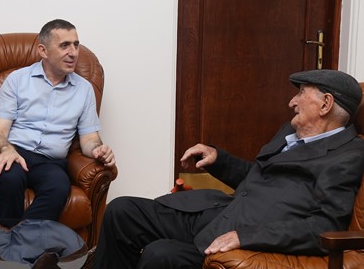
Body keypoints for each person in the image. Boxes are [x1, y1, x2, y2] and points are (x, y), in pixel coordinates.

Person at [94, 69, 364, 269]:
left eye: (301, 94)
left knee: (159, 255)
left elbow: (323, 226)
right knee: (121, 212)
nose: (292, 102)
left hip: (246, 236)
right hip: (218, 212)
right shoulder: (290, 130)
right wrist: (219, 160)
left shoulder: (347, 156)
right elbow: (260, 178)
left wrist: (245, 236)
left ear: (326, 104)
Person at [0, 19, 115, 228]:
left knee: (59, 186)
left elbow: (89, 139)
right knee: (11, 176)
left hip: (49, 163)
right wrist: (7, 150)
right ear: (43, 50)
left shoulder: (84, 90)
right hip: (12, 152)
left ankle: (19, 241)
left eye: (76, 45)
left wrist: (98, 150)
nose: (73, 52)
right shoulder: (17, 80)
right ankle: (5, 240)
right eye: (64, 45)